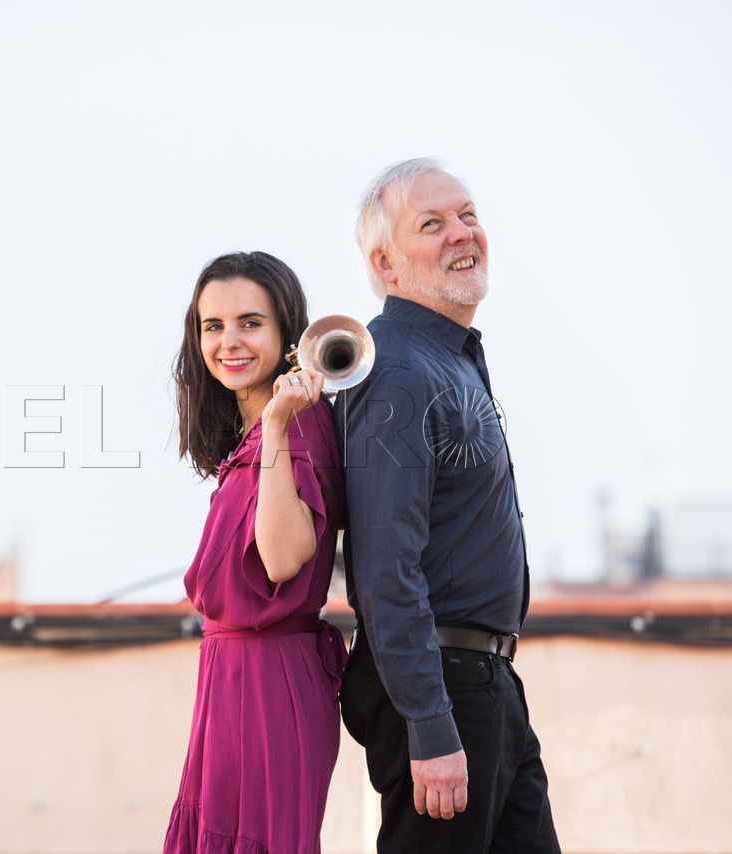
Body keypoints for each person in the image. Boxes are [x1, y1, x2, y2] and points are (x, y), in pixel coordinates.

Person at [334, 159, 561, 853]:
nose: (462, 233)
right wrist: (430, 724)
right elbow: (384, 567)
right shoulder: (398, 370)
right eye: (431, 224)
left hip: (484, 685)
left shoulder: (447, 359)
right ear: (386, 263)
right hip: (441, 692)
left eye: (467, 215)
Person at [163, 251, 346, 854]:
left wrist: (275, 424)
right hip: (232, 677)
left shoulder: (296, 424)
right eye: (213, 326)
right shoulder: (260, 430)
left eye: (251, 323)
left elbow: (282, 558)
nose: (229, 342)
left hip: (271, 682)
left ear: (287, 333)